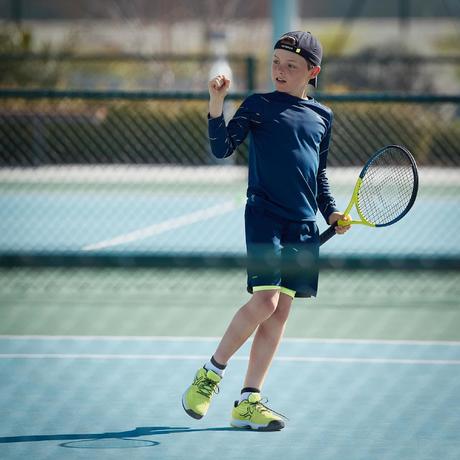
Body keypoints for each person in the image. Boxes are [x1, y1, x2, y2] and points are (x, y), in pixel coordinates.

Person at [182, 30, 350, 431]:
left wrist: (330, 213)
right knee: (265, 302)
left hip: (303, 225)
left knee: (280, 312)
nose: (280, 70)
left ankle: (248, 402)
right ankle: (209, 375)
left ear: (312, 72)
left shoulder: (323, 117)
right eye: (276, 62)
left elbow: (318, 175)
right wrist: (217, 103)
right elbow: (221, 148)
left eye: (291, 66)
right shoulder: (257, 106)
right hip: (264, 217)